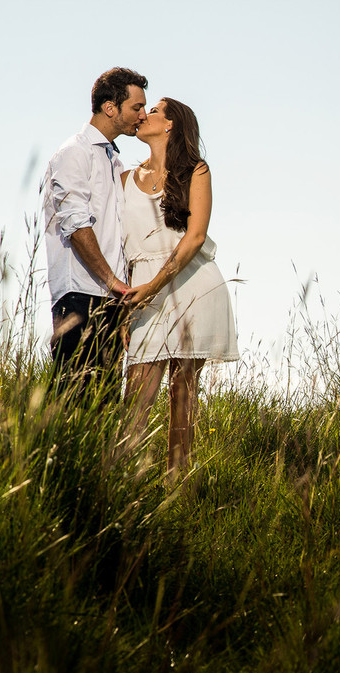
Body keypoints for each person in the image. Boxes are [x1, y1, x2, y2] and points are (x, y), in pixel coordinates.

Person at [121, 97, 239, 479]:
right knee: (136, 400)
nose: (144, 115)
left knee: (182, 398)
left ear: (170, 125)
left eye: (153, 111)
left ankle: (178, 489)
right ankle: (120, 484)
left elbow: (195, 237)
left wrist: (154, 286)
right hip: (142, 295)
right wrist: (124, 305)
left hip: (192, 287)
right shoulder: (124, 179)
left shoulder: (195, 171)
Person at [42, 67, 148, 401]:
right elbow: (75, 225)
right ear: (110, 107)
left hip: (111, 300)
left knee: (103, 407)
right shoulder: (74, 152)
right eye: (137, 107)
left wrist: (120, 294)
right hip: (80, 295)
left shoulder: (114, 161)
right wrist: (113, 281)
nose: (142, 116)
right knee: (73, 401)